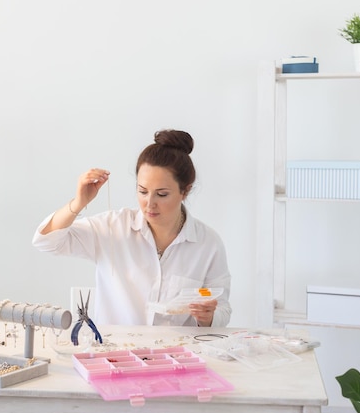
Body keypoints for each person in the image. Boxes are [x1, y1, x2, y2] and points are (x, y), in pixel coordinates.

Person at [32, 129, 231, 327]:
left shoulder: (208, 244)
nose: (149, 203)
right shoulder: (113, 227)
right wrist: (78, 203)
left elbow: (222, 309)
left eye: (162, 194)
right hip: (116, 351)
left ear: (185, 191)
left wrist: (208, 317)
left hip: (176, 354)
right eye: (142, 191)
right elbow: (46, 242)